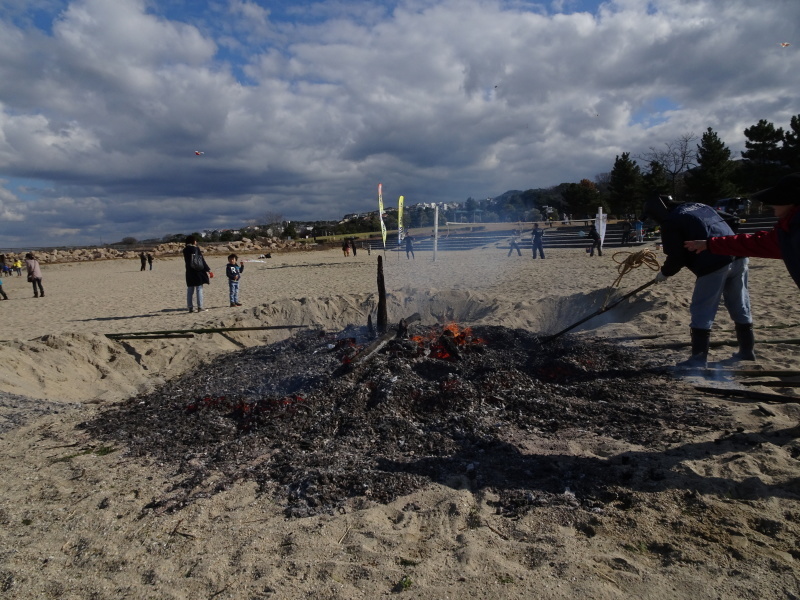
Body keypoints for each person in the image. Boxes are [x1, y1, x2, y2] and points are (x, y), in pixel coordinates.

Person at [645, 195, 754, 367]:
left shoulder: (671, 220)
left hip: (713, 263)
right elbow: (732, 220)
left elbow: (676, 256)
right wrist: (723, 240)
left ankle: (698, 359)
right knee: (739, 303)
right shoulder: (700, 205)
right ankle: (747, 351)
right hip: (738, 256)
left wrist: (665, 273)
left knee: (702, 308)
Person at [684, 172, 800, 292]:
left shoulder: (794, 228)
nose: (771, 204)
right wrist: (709, 244)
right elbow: (754, 243)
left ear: (791, 200)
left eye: (778, 199)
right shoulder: (789, 229)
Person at [183, 236, 211, 312]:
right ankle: (200, 307)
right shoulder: (195, 249)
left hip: (189, 272)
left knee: (190, 290)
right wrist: (208, 269)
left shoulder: (185, 250)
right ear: (193, 241)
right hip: (197, 271)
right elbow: (201, 260)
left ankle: (190, 307)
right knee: (199, 289)